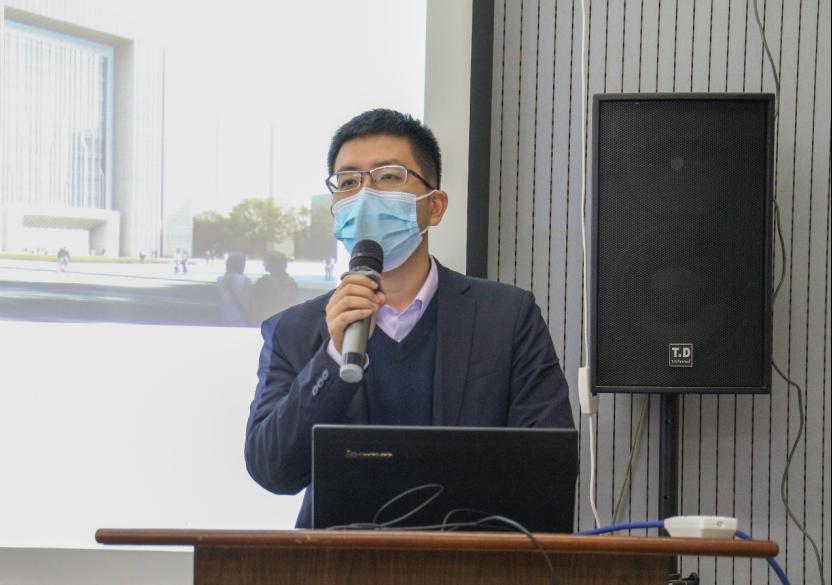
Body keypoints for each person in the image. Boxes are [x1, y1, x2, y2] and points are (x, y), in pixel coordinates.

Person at [244, 109, 574, 528]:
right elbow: (271, 469)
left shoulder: (507, 317)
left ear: (434, 207)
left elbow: (549, 465)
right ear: (335, 211)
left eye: (387, 176)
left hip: (472, 554)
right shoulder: (294, 330)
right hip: (338, 559)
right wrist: (332, 356)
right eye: (348, 182)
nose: (365, 195)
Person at [252, 251, 299, 322]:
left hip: (267, 320)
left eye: (266, 262)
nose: (263, 264)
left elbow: (255, 301)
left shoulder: (263, 281)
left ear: (273, 264)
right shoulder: (291, 283)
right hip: (283, 321)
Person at [217, 251, 253, 325]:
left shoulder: (220, 280)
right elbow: (247, 301)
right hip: (240, 318)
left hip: (225, 316)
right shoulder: (246, 280)